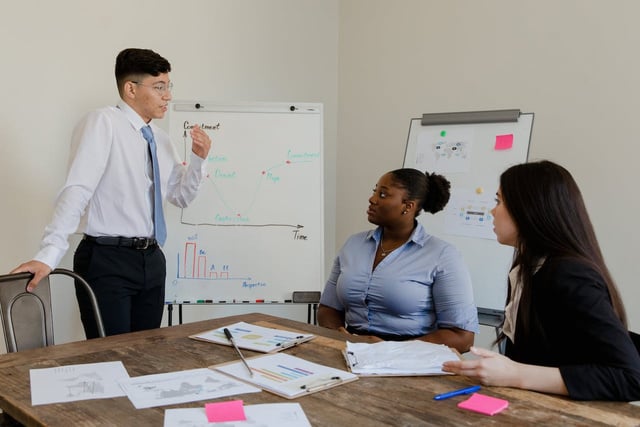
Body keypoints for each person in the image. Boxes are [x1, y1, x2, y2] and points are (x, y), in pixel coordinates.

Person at [10, 48, 212, 338]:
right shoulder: (102, 123)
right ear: (130, 88)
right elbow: (78, 189)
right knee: (110, 356)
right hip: (107, 258)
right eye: (159, 87)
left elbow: (180, 197)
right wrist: (49, 254)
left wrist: (199, 160)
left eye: (168, 87)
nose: (167, 95)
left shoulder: (161, 140)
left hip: (153, 260)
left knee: (145, 354)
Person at [442, 160, 640, 401]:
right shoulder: (527, 269)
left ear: (529, 209)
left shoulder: (569, 274)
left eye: (499, 201)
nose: (492, 211)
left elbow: (631, 377)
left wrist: (515, 374)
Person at [318, 168, 478, 353]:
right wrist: (339, 335)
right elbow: (328, 308)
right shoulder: (353, 244)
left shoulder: (443, 255)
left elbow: (463, 337)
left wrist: (393, 350)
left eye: (383, 194)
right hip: (351, 352)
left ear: (407, 206)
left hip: (412, 359)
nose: (372, 199)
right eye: (375, 191)